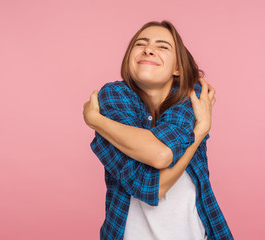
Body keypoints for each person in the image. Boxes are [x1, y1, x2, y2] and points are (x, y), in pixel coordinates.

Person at [83, 20, 233, 240]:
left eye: (162, 46)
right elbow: (149, 183)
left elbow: (160, 154)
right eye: (140, 43)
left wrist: (95, 121)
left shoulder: (192, 98)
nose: (149, 49)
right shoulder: (112, 97)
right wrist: (199, 131)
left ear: (178, 68)